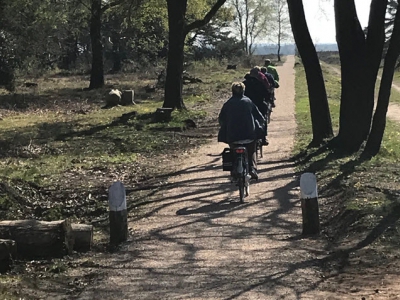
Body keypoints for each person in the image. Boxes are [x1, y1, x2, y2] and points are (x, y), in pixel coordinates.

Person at [218, 82, 265, 180]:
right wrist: (261, 124)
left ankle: (234, 170)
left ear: (232, 91)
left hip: (233, 136)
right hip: (249, 134)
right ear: (243, 90)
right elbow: (259, 116)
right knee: (251, 151)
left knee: (233, 151)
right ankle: (252, 169)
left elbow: (221, 119)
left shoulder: (228, 104)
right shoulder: (248, 102)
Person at [243, 67, 270, 145]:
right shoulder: (259, 83)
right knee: (263, 119)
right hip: (259, 105)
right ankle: (263, 138)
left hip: (247, 106)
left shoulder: (244, 83)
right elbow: (266, 94)